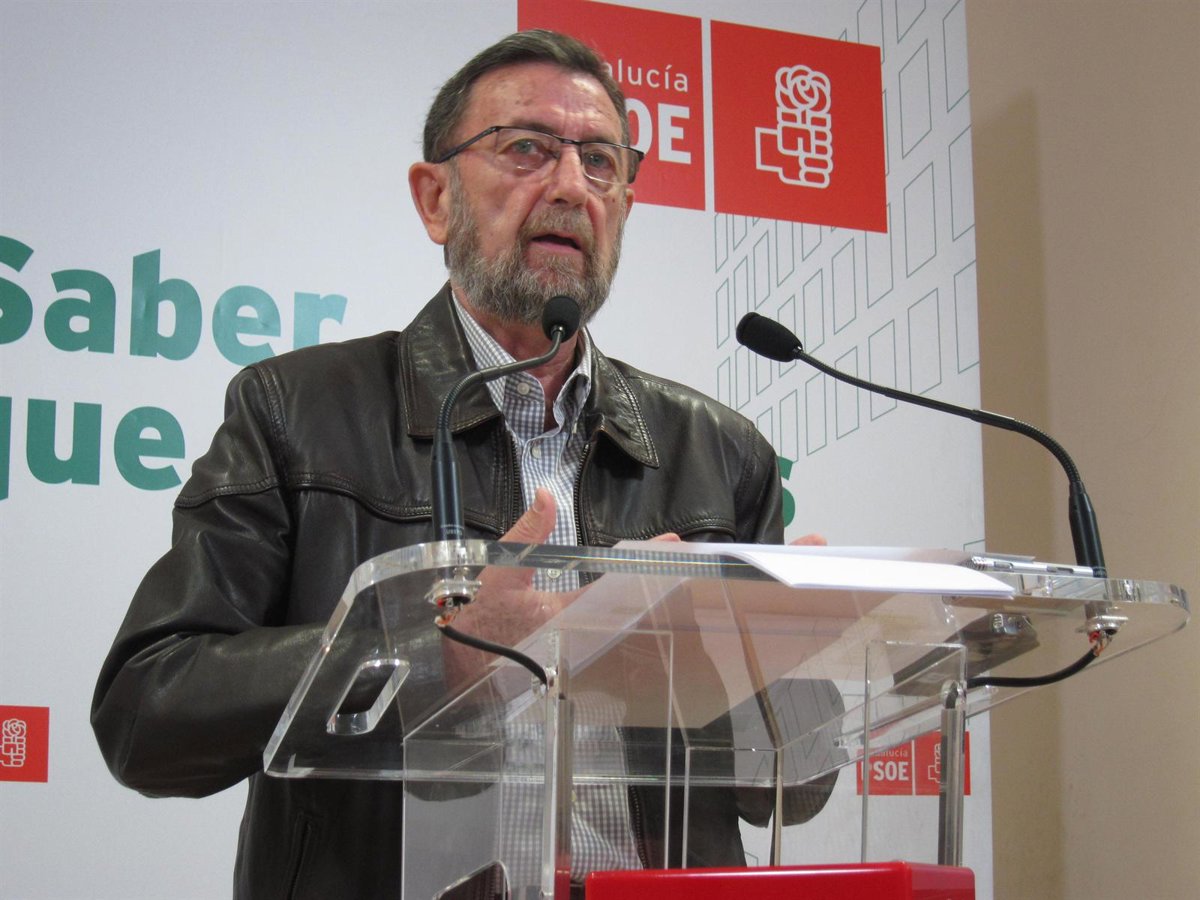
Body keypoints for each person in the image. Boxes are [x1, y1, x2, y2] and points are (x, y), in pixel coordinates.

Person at [91, 29, 833, 899]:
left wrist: (752, 681)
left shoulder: (721, 452)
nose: (571, 186)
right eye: (527, 149)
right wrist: (434, 656)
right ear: (435, 197)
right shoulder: (296, 411)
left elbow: (794, 790)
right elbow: (146, 714)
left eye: (600, 162)